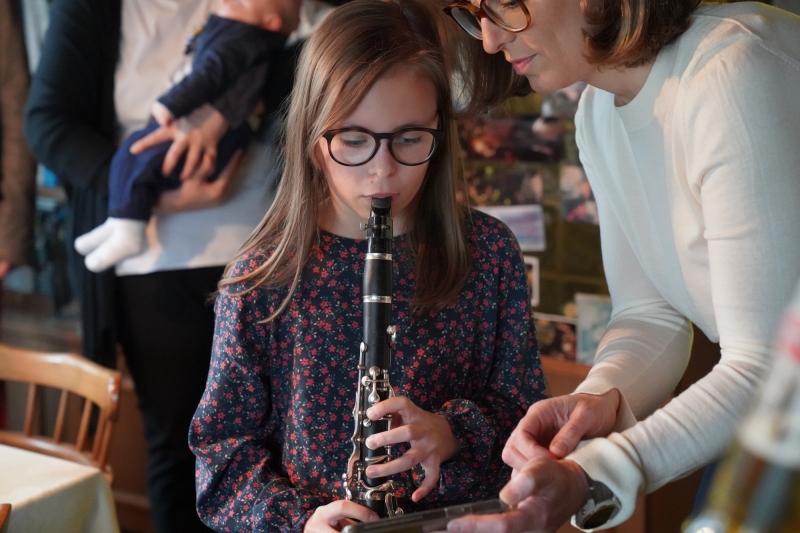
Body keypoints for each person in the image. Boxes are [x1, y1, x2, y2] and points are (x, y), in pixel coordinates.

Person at [437, 0, 800, 531]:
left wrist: (596, 471)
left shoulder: (730, 72)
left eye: (505, 5)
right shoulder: (597, 113)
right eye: (474, 13)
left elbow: (769, 366)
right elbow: (650, 312)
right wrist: (592, 403)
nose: (490, 40)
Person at [188, 0, 548, 531]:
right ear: (313, 142)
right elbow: (222, 461)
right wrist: (300, 521)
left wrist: (451, 434)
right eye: (354, 140)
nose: (383, 172)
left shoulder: (489, 254)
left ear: (439, 135)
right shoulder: (261, 277)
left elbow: (527, 420)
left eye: (408, 139)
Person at [22, 0, 299, 531]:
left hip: (270, 259)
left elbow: (317, 68)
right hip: (151, 261)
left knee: (284, 445)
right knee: (181, 448)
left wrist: (225, 112)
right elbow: (47, 123)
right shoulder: (94, 10)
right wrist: (145, 196)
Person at [74, 0, 298, 273]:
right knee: (132, 155)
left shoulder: (243, 39)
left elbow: (208, 74)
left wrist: (171, 104)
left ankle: (127, 229)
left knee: (140, 158)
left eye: (240, 1)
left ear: (270, 22)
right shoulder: (241, 34)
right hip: (159, 254)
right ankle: (121, 221)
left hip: (236, 215)